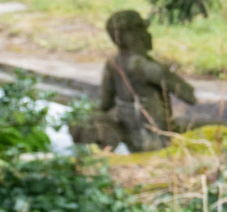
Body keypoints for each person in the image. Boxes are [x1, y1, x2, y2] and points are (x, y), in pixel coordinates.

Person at [68, 9, 197, 149]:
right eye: (143, 29)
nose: (149, 35)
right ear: (134, 35)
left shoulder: (113, 64)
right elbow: (189, 95)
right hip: (157, 140)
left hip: (132, 140)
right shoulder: (144, 66)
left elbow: (105, 104)